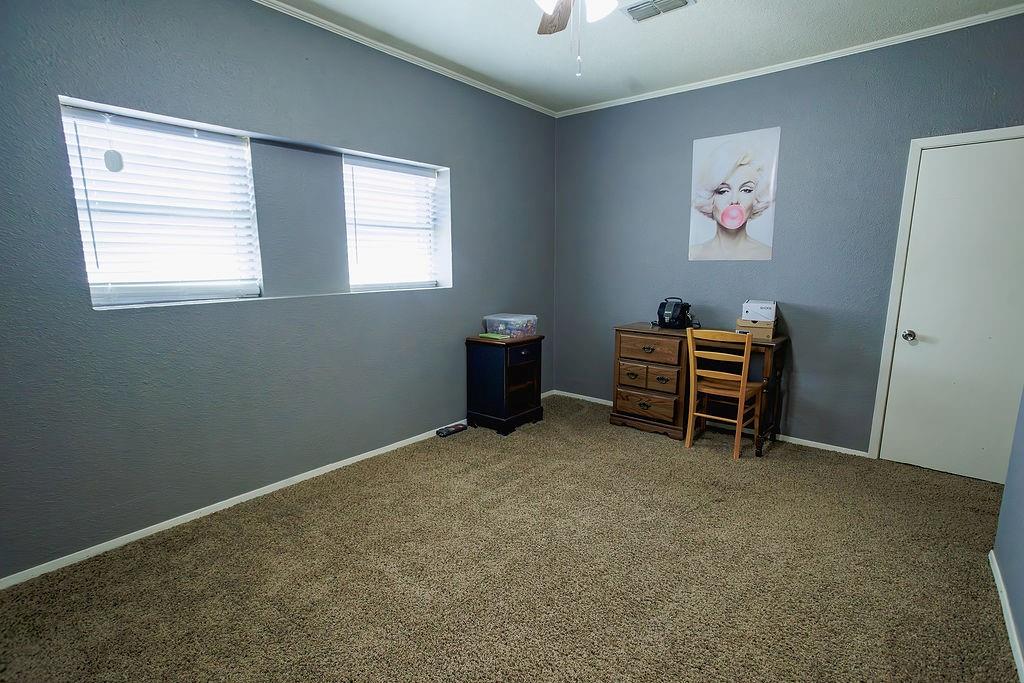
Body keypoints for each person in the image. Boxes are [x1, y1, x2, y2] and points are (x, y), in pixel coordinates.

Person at [690, 140, 773, 261]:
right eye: (723, 191)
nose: (734, 200)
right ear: (710, 199)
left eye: (746, 190)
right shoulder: (694, 254)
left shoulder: (766, 254)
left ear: (757, 199)